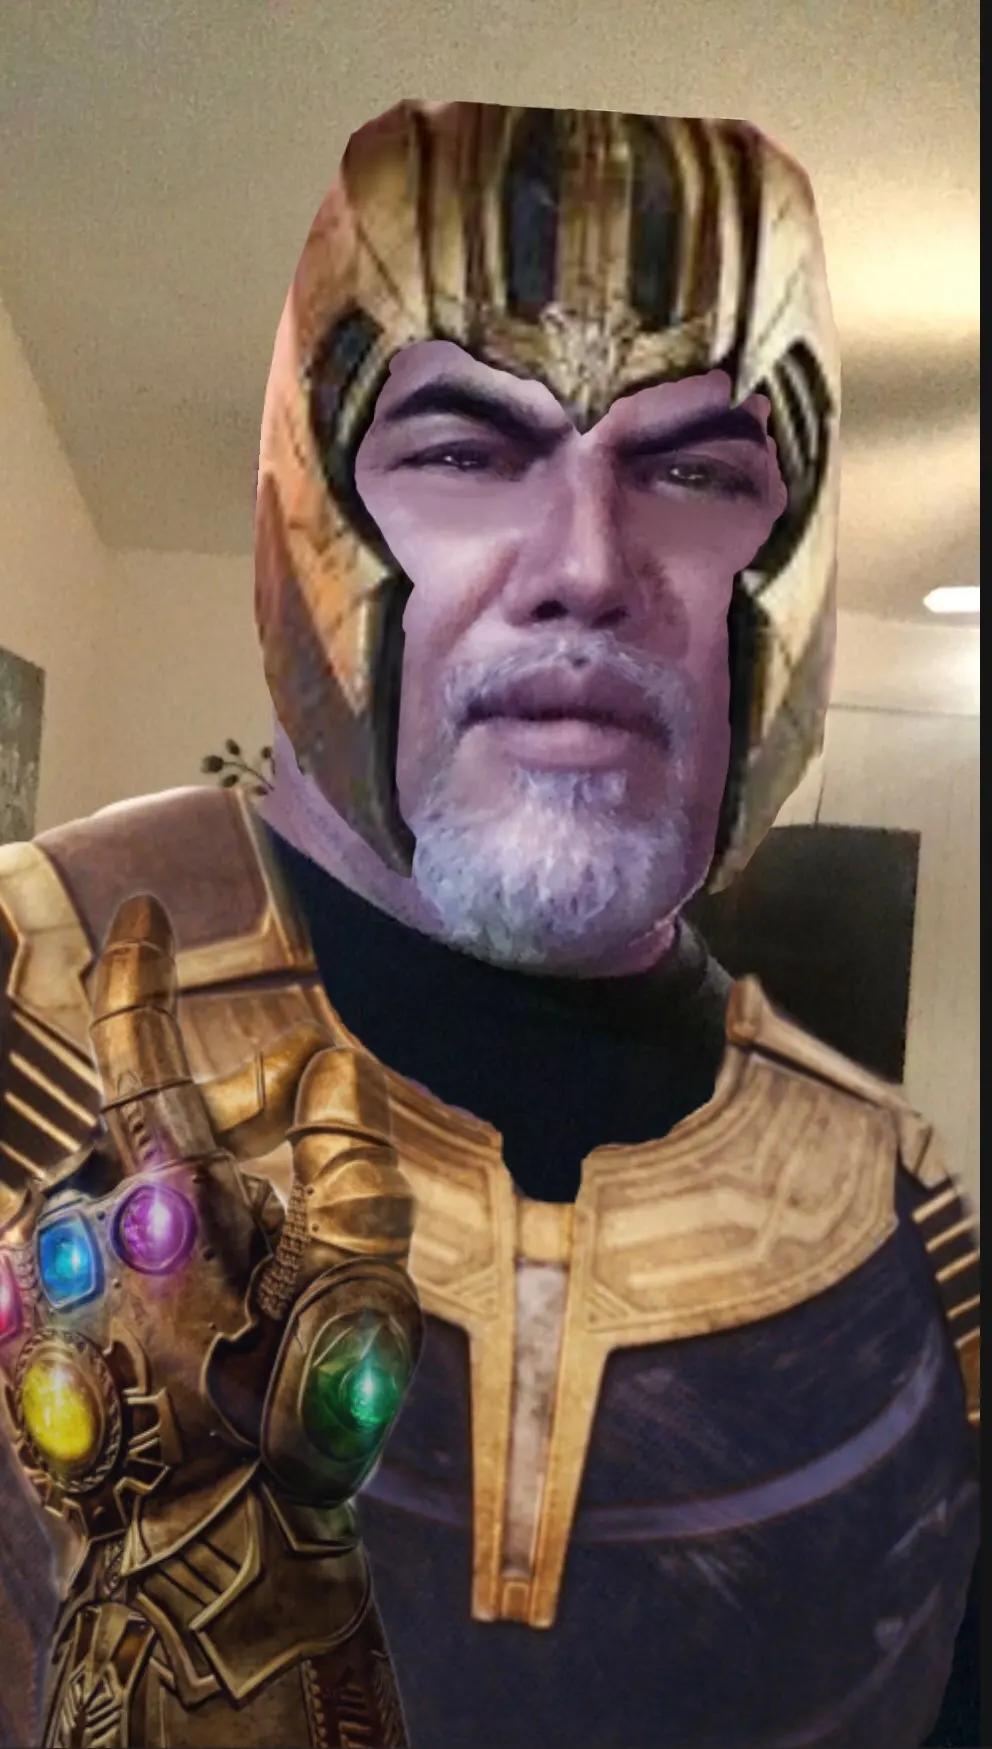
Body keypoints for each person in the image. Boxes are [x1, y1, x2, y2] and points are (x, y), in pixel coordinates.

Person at [0, 101, 979, 1749]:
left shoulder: (897, 1213)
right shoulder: (28, 998)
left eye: (695, 471)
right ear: (312, 496)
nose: (586, 566)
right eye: (464, 452)